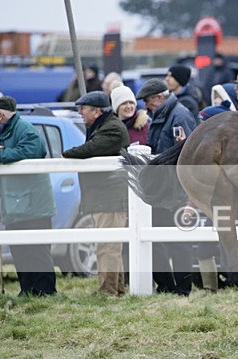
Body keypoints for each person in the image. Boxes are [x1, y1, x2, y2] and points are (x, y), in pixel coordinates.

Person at [0, 96, 57, 296]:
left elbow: (35, 150)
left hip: (34, 203)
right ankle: (27, 289)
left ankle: (46, 291)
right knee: (19, 249)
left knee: (37, 250)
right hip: (10, 203)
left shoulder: (26, 130)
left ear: (0, 115)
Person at [62, 91, 130, 296]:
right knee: (109, 244)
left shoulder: (111, 129)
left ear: (97, 111)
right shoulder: (104, 126)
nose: (80, 112)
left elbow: (91, 149)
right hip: (106, 195)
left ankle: (108, 290)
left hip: (109, 197)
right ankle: (115, 289)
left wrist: (67, 153)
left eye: (84, 108)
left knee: (107, 245)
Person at [135, 78, 197, 295]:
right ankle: (171, 287)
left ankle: (182, 290)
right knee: (163, 240)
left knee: (179, 242)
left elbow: (189, 154)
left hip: (176, 190)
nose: (145, 106)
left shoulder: (179, 116)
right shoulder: (165, 115)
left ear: (159, 98)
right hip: (166, 189)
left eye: (147, 101)